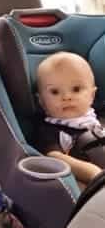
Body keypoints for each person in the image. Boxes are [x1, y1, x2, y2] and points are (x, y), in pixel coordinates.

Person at [35, 51, 104, 186]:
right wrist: (92, 172)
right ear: (41, 101)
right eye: (55, 92)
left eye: (76, 89)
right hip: (91, 183)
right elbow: (54, 157)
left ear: (92, 95)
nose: (66, 97)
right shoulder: (50, 130)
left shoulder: (98, 118)